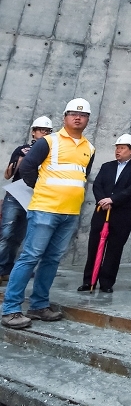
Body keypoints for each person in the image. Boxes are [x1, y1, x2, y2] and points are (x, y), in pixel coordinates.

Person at [1, 99, 95, 330]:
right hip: (45, 209)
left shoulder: (89, 148)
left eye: (82, 115)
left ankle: (39, 305)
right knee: (30, 257)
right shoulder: (47, 142)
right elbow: (26, 168)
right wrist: (42, 190)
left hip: (70, 212)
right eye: (73, 113)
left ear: (87, 120)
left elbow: (82, 176)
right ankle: (11, 309)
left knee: (52, 259)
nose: (77, 118)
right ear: (65, 117)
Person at [77, 134, 131, 294]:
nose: (118, 151)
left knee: (114, 250)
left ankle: (106, 282)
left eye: (122, 148)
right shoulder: (107, 166)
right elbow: (97, 185)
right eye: (117, 148)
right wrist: (102, 200)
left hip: (122, 215)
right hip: (101, 212)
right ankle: (89, 281)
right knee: (94, 247)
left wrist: (112, 200)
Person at [0, 116, 52, 284]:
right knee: (6, 233)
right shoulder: (22, 149)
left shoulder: (51, 152)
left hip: (35, 196)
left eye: (47, 131)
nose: (44, 133)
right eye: (41, 130)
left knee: (18, 236)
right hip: (16, 194)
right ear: (33, 132)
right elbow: (8, 175)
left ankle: (7, 269)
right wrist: (22, 160)